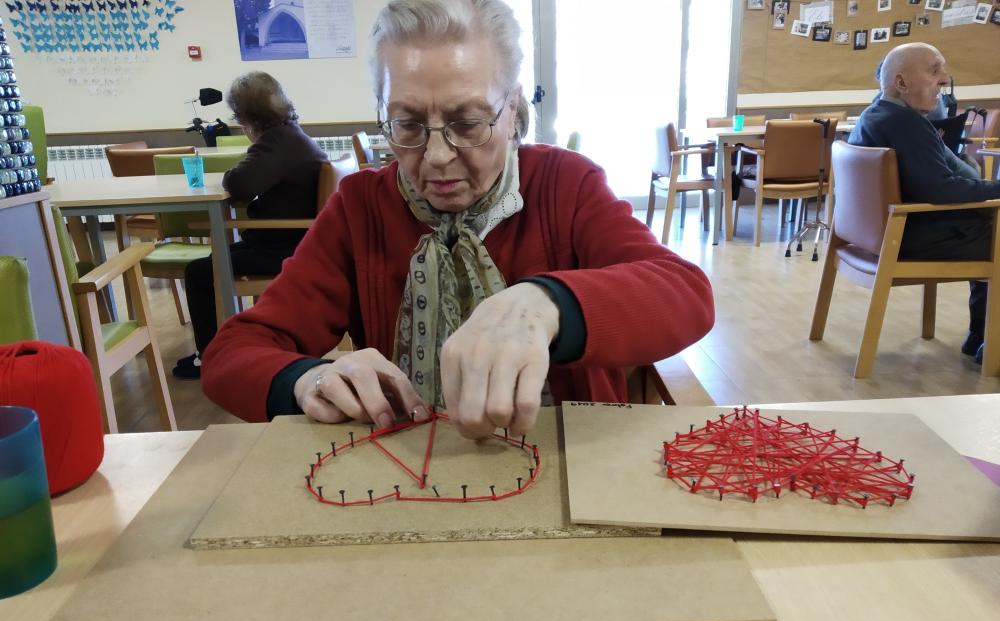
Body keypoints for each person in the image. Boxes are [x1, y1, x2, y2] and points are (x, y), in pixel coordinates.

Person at [201, 0, 714, 439]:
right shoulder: (360, 208)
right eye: (407, 124)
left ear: (512, 110)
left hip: (568, 464)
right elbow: (231, 353)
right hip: (406, 470)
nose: (438, 156)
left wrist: (548, 303)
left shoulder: (566, 185)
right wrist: (306, 379)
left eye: (468, 122)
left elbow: (685, 292)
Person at [849, 43, 1000, 364]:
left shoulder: (875, 114)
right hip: (910, 236)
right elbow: (942, 190)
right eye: (934, 71)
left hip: (883, 233)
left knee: (991, 224)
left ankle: (982, 335)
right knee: (997, 232)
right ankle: (992, 342)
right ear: (900, 82)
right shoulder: (905, 123)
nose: (945, 79)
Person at [173, 71, 329, 379]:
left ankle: (209, 356)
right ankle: (224, 346)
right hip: (298, 241)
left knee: (199, 272)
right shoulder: (291, 135)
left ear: (245, 116)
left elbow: (239, 184)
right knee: (216, 259)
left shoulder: (274, 142)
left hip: (283, 248)